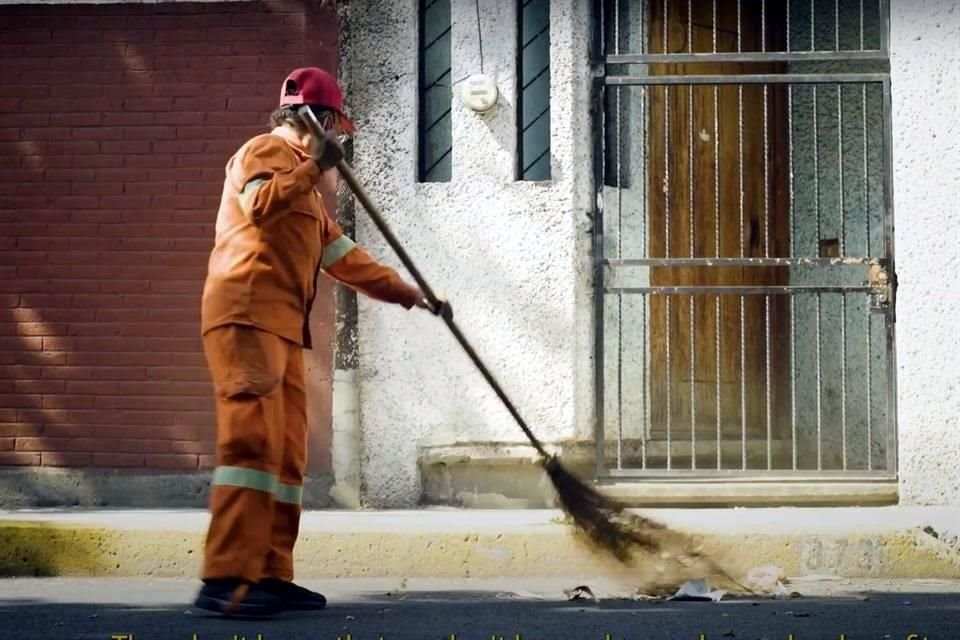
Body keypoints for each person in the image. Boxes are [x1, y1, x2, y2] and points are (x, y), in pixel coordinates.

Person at [194, 66, 448, 617]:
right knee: (250, 451)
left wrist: (414, 296)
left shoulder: (309, 197)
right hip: (245, 318)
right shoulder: (263, 152)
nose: (340, 140)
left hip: (281, 329)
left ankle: (269, 574)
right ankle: (226, 580)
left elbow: (345, 260)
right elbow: (259, 205)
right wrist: (314, 168)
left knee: (286, 457)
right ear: (321, 119)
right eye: (337, 127)